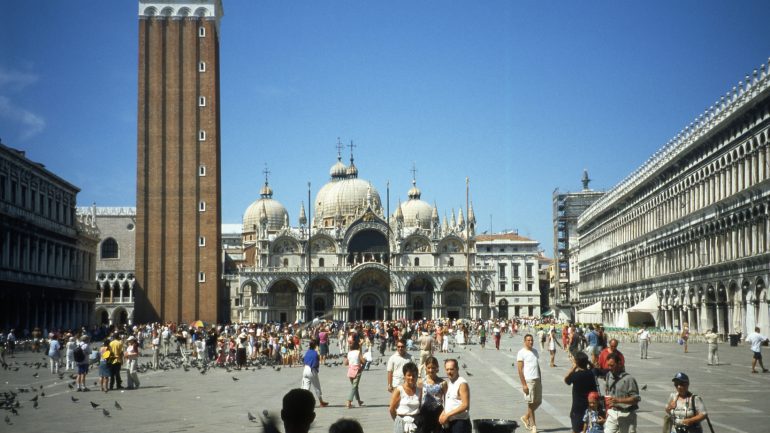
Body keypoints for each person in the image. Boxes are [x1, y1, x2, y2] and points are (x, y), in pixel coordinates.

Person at [603, 353, 640, 433]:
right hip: (613, 412)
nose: (609, 368)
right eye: (608, 365)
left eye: (612, 365)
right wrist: (607, 410)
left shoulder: (629, 379)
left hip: (626, 414)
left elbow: (636, 399)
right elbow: (608, 392)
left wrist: (618, 400)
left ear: (619, 363)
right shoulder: (609, 375)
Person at [564, 352, 599, 433]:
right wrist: (589, 363)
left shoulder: (575, 375)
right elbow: (595, 369)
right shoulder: (591, 373)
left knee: (576, 430)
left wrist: (573, 367)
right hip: (590, 406)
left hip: (577, 408)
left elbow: (566, 380)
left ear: (577, 362)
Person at [517, 334, 541, 433]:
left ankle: (526, 417)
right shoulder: (521, 353)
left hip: (537, 379)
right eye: (528, 340)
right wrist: (524, 384)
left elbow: (537, 366)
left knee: (539, 401)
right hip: (529, 380)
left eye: (532, 340)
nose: (530, 342)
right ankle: (533, 425)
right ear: (525, 341)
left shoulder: (535, 351)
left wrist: (540, 378)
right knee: (531, 404)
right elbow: (519, 369)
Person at [439, 358, 471, 433]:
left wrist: (447, 415)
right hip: (449, 423)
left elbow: (465, 405)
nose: (449, 372)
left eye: (451, 369)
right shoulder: (450, 383)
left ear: (457, 369)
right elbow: (451, 402)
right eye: (447, 369)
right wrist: (443, 413)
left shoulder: (462, 383)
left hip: (460, 423)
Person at [389, 362, 421, 433]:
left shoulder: (419, 390)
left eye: (414, 375)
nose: (411, 378)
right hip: (401, 422)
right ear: (404, 376)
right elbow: (391, 409)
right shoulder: (399, 390)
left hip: (416, 422)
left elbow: (420, 406)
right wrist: (398, 420)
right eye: (409, 375)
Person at [419, 356, 447, 433]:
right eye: (429, 368)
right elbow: (419, 398)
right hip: (425, 412)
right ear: (426, 368)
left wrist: (445, 413)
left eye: (433, 368)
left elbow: (446, 400)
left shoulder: (443, 383)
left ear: (437, 368)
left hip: (438, 412)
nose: (431, 370)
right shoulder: (421, 382)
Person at [301, 340, 330, 407]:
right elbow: (316, 363)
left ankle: (303, 402)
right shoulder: (315, 353)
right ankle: (321, 402)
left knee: (305, 387)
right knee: (317, 386)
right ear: (315, 346)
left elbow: (304, 360)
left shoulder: (307, 352)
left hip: (305, 369)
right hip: (311, 369)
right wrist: (316, 370)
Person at [345, 340, 365, 409]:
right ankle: (349, 402)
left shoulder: (349, 353)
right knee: (354, 387)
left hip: (350, 370)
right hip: (357, 371)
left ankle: (359, 401)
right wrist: (363, 361)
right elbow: (363, 361)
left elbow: (346, 363)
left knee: (355, 386)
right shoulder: (358, 352)